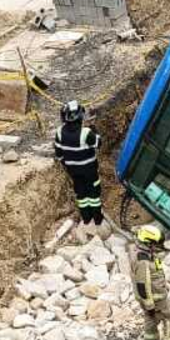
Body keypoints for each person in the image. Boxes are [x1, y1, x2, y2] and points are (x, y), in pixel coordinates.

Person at [54, 100, 107, 239]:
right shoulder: (85, 133)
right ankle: (98, 220)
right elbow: (98, 143)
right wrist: (94, 129)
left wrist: (68, 164)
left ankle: (86, 219)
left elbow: (59, 154)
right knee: (94, 195)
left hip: (73, 172)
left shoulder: (59, 133)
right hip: (89, 171)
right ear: (80, 117)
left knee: (81, 195)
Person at [132, 224, 170, 340]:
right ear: (148, 243)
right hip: (155, 298)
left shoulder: (145, 254)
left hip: (153, 296)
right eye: (155, 244)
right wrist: (149, 305)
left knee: (151, 319)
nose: (158, 247)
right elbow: (142, 285)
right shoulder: (142, 261)